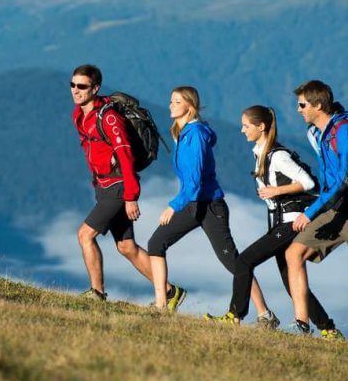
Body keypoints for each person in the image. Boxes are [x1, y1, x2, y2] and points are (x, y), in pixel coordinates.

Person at [205, 105, 341, 335]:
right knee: (291, 280)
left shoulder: (278, 156)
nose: (241, 130)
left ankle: (235, 316)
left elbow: (308, 183)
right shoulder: (260, 152)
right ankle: (328, 329)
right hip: (281, 222)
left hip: (292, 221)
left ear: (261, 127)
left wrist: (275, 192)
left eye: (246, 126)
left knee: (245, 261)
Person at [148, 87, 273, 321]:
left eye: (177, 101)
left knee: (233, 261)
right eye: (170, 100)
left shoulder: (194, 135)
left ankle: (265, 314)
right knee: (156, 242)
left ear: (190, 105)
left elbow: (194, 181)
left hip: (209, 206)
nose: (170, 105)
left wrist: (173, 206)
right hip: (194, 203)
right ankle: (161, 305)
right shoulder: (183, 132)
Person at [71, 64, 185, 307]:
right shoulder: (79, 115)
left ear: (95, 88)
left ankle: (97, 293)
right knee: (126, 247)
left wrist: (131, 196)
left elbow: (125, 156)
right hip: (104, 186)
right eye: (72, 85)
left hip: (119, 187)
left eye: (82, 86)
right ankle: (170, 292)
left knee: (85, 235)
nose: (75, 90)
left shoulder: (109, 118)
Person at [285, 80, 348, 338]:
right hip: (336, 209)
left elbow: (345, 179)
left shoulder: (342, 131)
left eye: (302, 105)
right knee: (294, 254)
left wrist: (311, 212)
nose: (299, 109)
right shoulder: (320, 133)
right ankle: (302, 324)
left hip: (340, 207)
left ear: (318, 105)